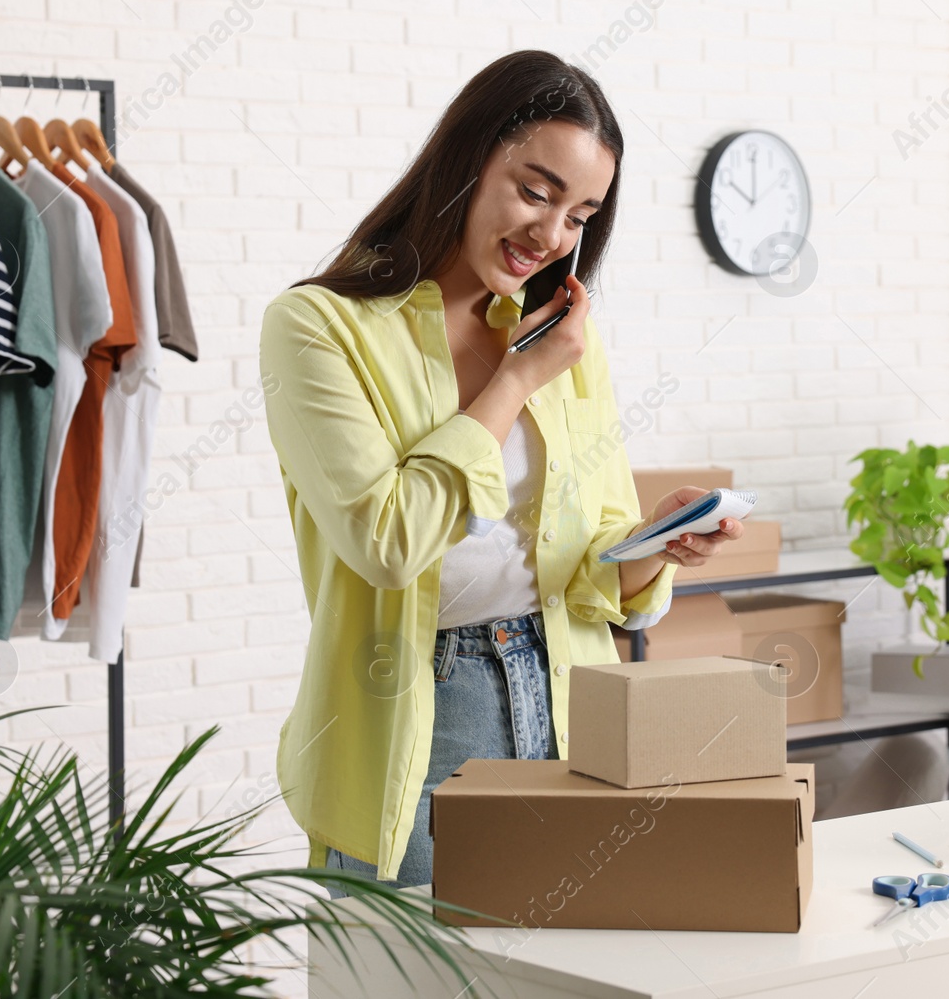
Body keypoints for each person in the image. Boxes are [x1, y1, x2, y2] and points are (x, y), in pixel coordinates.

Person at [259, 49, 746, 894]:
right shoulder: (318, 328)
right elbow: (387, 541)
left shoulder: (563, 335)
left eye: (582, 214)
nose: (554, 236)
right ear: (467, 159)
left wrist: (653, 546)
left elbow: (582, 566)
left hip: (570, 700)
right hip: (416, 720)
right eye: (536, 191)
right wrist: (514, 379)